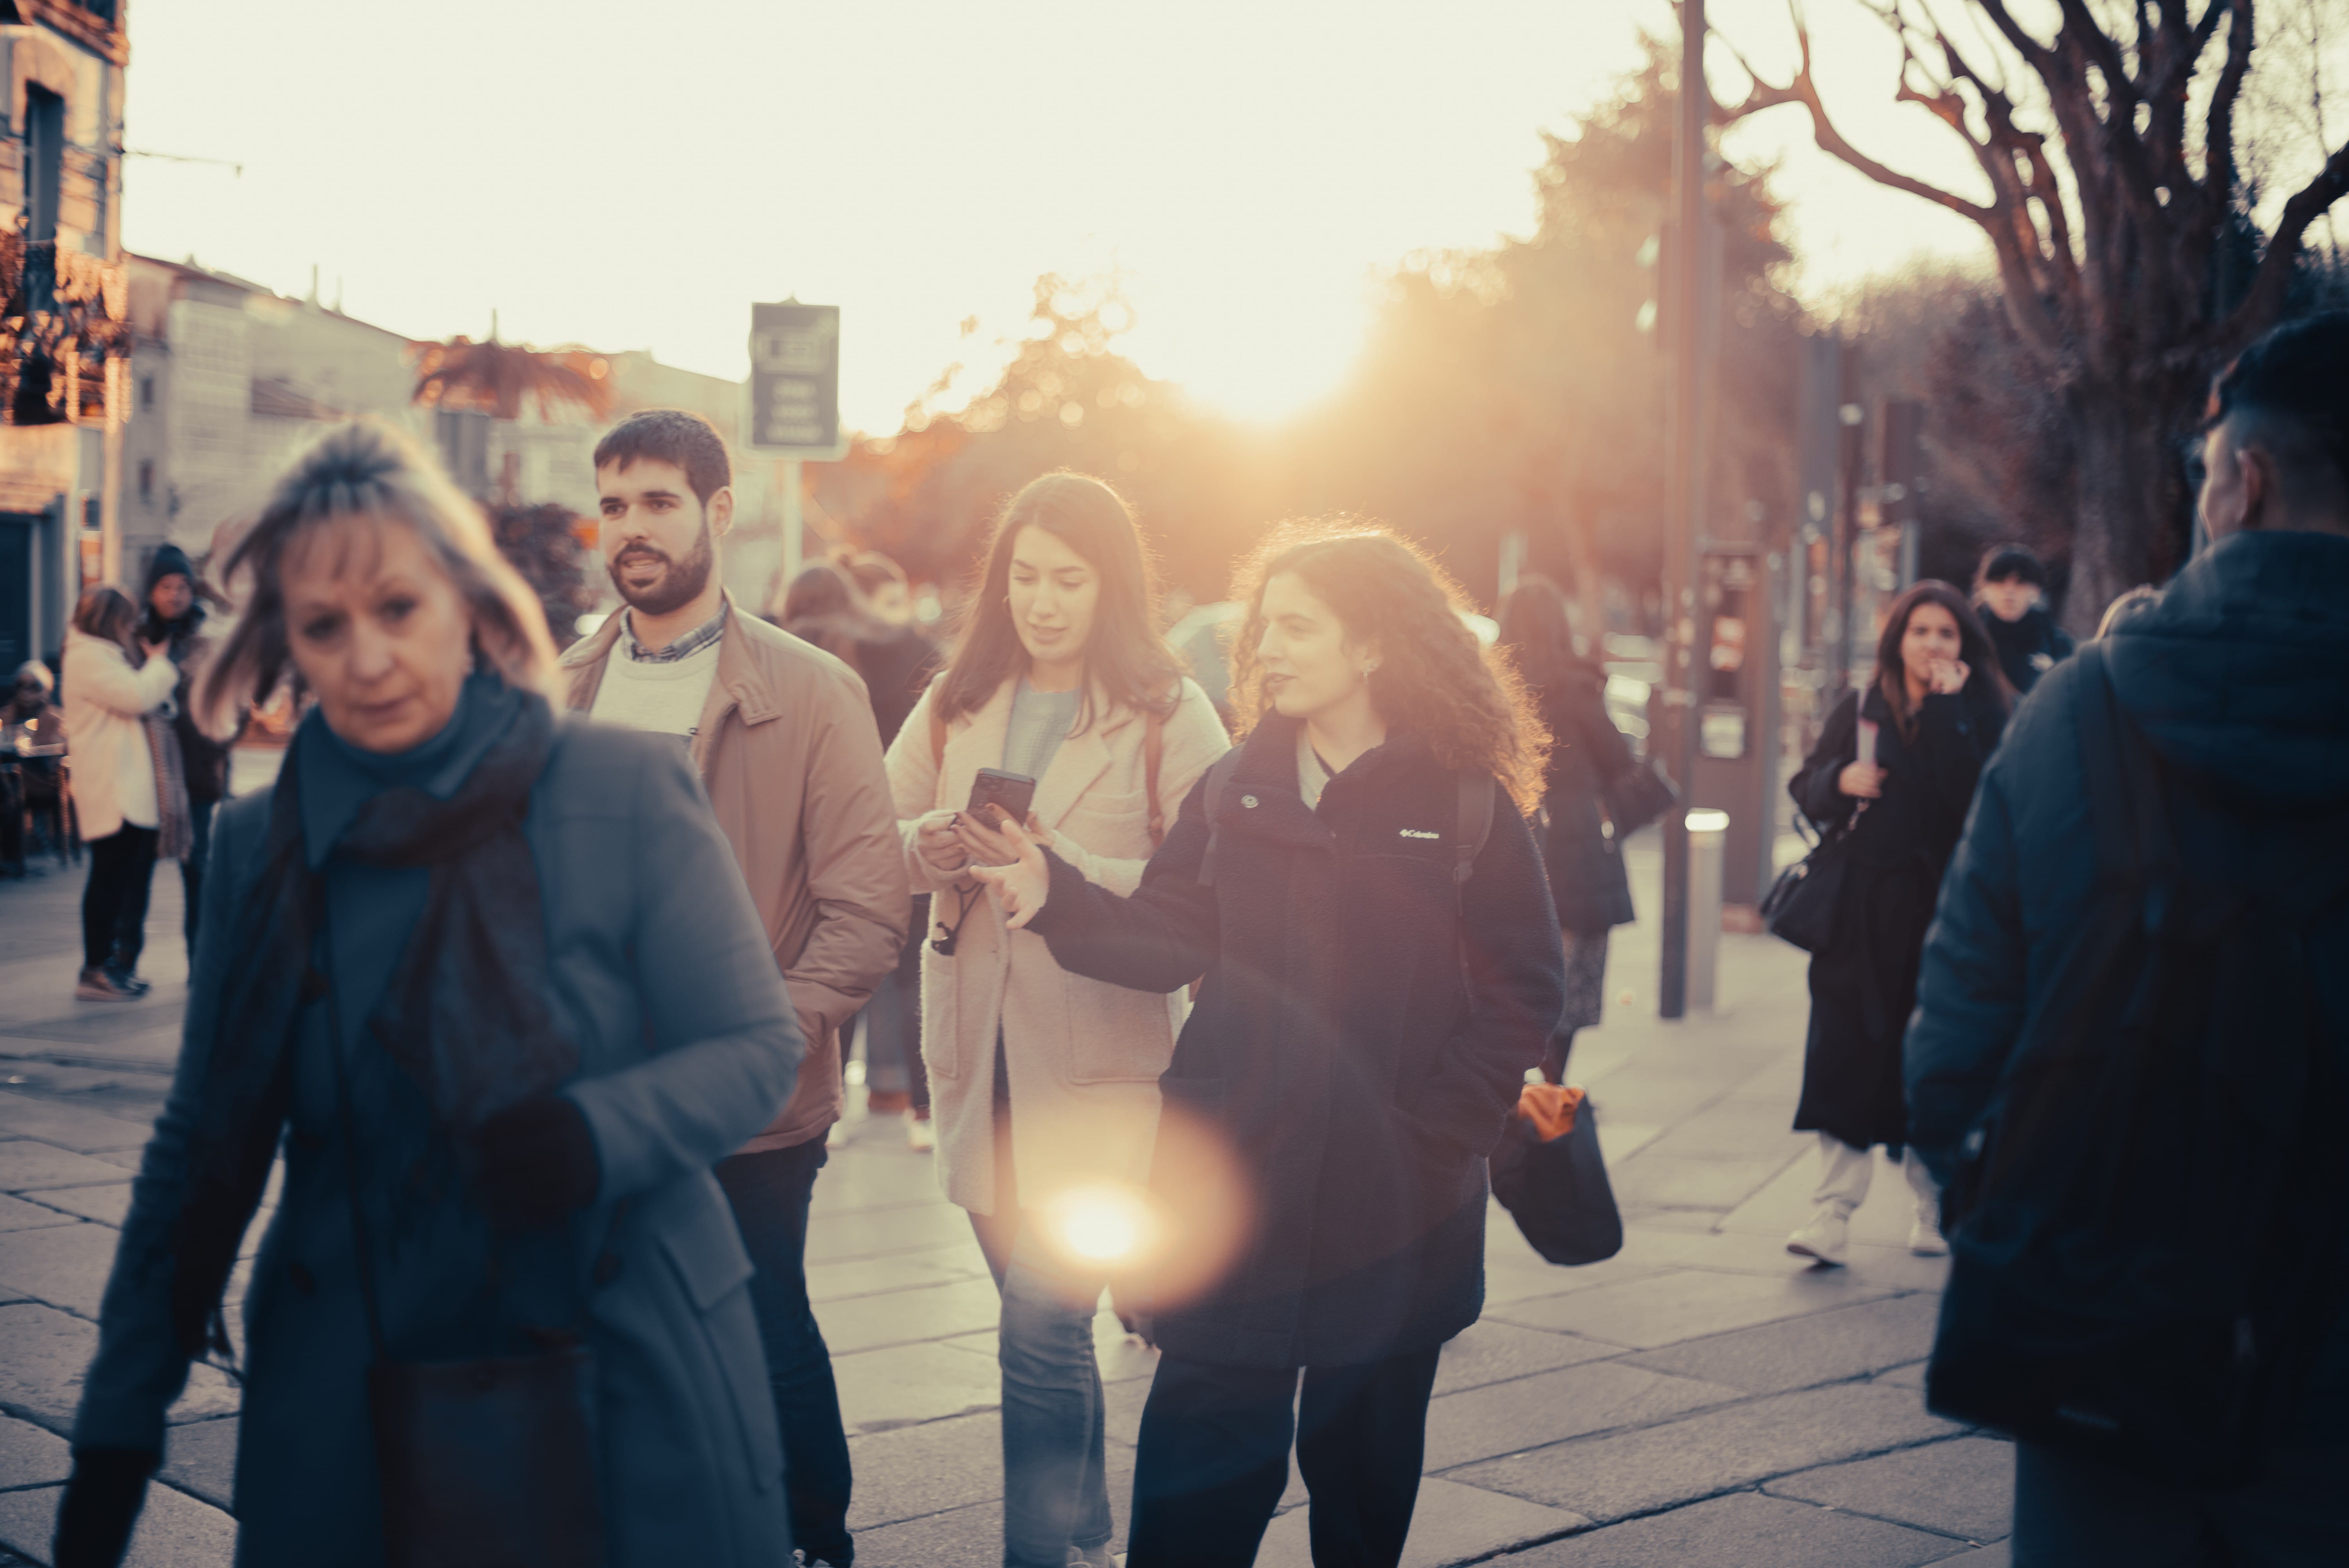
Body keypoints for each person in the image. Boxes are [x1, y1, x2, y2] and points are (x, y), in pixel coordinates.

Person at [57, 421, 802, 1568]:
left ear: (464, 601)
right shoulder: (261, 847)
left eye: (397, 609)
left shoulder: (623, 789)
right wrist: (115, 1436)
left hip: (621, 1370)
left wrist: (594, 1132)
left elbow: (755, 1046)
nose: (365, 659)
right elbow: (205, 1150)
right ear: (287, 645)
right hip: (354, 1388)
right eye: (323, 626)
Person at [970, 522, 1567, 1566]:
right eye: (1263, 630)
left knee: (1364, 1478)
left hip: (1397, 1200)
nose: (1267, 651)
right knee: (1200, 1452)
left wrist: (1436, 1136)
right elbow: (1168, 937)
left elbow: (1525, 986)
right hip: (1233, 1181)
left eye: (1296, 628)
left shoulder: (1464, 801)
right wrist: (1050, 895)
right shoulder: (1240, 786)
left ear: (1373, 645)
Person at [1907, 313, 2349, 1565]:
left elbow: (1952, 1044)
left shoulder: (2072, 713)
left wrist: (2030, 1228)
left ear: (2240, 480)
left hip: (2096, 1342)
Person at [562, 408, 907, 1568]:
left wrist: (757, 1038)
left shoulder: (812, 691)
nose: (631, 530)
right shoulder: (563, 685)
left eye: (657, 501)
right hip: (594, 1092)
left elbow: (866, 914)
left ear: (717, 511)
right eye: (613, 505)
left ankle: (811, 1538)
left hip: (748, 1099)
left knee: (759, 1323)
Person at [886, 471, 1226, 1568]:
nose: (1042, 601)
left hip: (1100, 1063)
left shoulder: (1170, 708)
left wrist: (1059, 865)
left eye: (1069, 580)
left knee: (1039, 1323)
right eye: (1025, 576)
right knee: (1045, 1327)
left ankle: (1038, 1557)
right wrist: (937, 842)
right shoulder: (954, 694)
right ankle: (1082, 1531)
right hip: (975, 1053)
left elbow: (1208, 887)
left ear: (1110, 585)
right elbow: (875, 834)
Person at [1782, 581, 2012, 1267]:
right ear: (1898, 638)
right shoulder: (1862, 704)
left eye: (1946, 634)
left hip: (1944, 915)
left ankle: (1932, 1202)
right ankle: (1831, 1213)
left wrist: (1946, 714)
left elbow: (1975, 800)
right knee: (1842, 1056)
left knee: (1932, 1059)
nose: (1932, 645)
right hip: (1858, 914)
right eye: (1921, 632)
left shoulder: (1982, 708)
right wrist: (1837, 784)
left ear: (1964, 646)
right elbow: (1807, 784)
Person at [1498, 574, 1639, 1082]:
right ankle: (1554, 1091)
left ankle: (1520, 1088)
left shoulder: (1491, 689)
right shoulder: (1578, 688)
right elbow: (1620, 760)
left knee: (1514, 974)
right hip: (1580, 847)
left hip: (1512, 842)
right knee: (1573, 982)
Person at [833, 547, 943, 1149]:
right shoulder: (921, 653)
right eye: (892, 599)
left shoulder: (828, 656)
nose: (900, 612)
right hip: (907, 825)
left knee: (844, 966)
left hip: (845, 829)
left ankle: (828, 1107)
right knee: (908, 975)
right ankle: (922, 1112)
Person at [61, 586, 185, 1002]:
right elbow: (136, 697)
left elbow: (148, 700)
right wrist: (159, 662)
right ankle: (94, 970)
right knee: (107, 881)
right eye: (126, 619)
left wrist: (152, 669)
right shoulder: (88, 657)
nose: (132, 627)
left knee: (118, 881)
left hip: (124, 786)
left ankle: (106, 967)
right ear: (110, 619)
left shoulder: (103, 656)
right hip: (112, 787)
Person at [140, 543, 234, 952]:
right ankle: (124, 961)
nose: (175, 595)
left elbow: (234, 701)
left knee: (197, 869)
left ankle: (200, 957)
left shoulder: (206, 643)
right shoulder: (136, 641)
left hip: (195, 773)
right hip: (144, 774)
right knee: (135, 870)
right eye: (166, 585)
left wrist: (217, 744)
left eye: (183, 586)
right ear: (151, 592)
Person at [1973, 544, 2075, 696]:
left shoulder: (2058, 644)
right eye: (1999, 581)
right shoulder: (1969, 640)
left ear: (2036, 590)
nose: (2009, 590)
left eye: (2020, 582)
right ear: (1984, 589)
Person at [3, 660, 67, 875]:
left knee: (11, 789)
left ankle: (12, 858)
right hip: (10, 775)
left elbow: (59, 750)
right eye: (21, 685)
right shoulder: (5, 715)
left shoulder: (56, 718)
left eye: (34, 686)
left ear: (46, 689)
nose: (26, 692)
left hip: (42, 780)